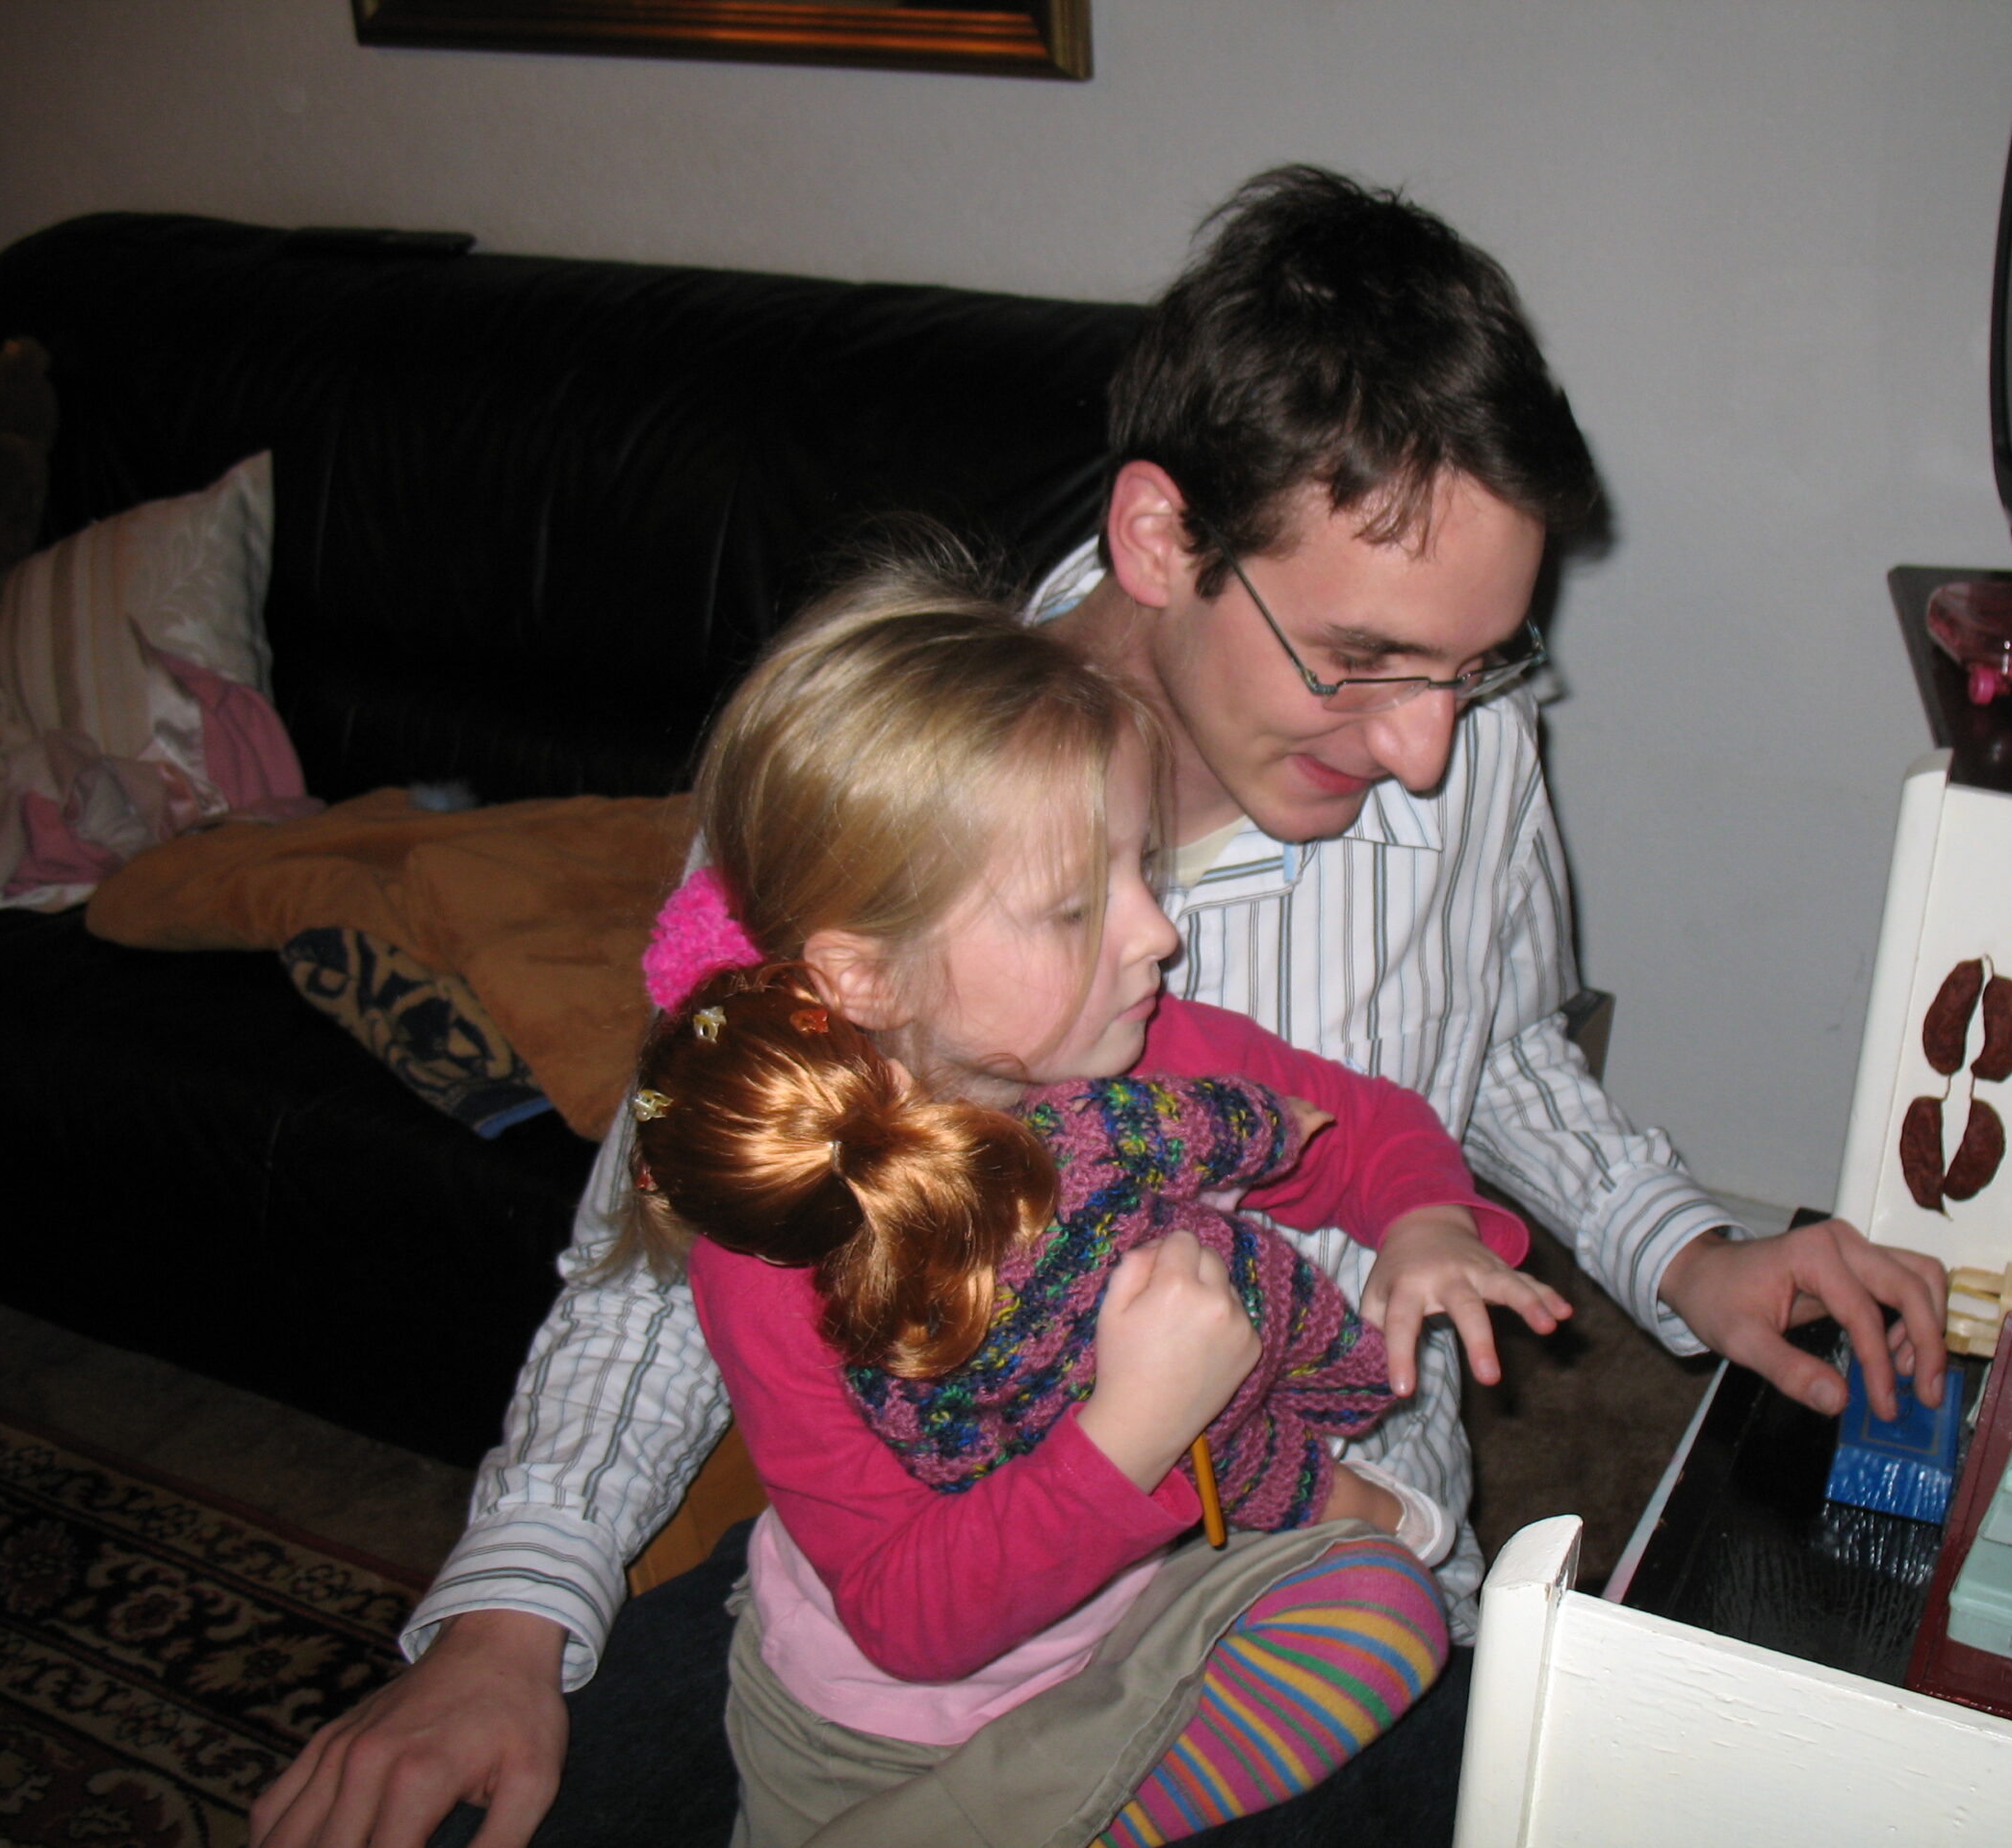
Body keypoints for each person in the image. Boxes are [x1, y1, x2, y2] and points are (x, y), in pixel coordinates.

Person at [252, 165, 1947, 1848]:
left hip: (1315, 1539)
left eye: (1474, 665)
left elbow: (1490, 1044)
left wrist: (1684, 1251)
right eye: (1362, 659)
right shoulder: (870, 789)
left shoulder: (1469, 746)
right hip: (945, 1576)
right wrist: (506, 1620)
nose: (1428, 749)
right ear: (1159, 538)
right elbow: (663, 1252)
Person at [603, 578, 1559, 1841]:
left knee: (1390, 1607)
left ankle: (1081, 1808)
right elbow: (906, 1620)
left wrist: (1430, 1222)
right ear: (866, 975)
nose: (1159, 932)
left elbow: (1364, 1128)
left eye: (1140, 868)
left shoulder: (1146, 1050)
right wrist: (1138, 1428)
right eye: (1075, 906)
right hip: (884, 1728)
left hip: (1133, 1614)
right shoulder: (783, 1247)